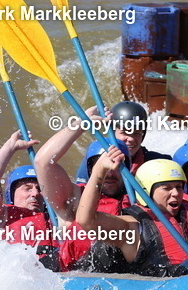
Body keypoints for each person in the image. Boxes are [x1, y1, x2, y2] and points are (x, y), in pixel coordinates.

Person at [34, 106, 132, 271]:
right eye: (104, 166)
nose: (111, 172)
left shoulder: (137, 201)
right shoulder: (75, 196)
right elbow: (43, 162)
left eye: (117, 166)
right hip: (75, 273)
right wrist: (81, 124)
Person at [77, 151, 188, 277]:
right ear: (146, 191)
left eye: (179, 187)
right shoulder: (132, 227)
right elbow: (87, 220)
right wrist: (99, 170)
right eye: (166, 187)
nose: (175, 193)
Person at [0, 131, 58, 269]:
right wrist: (11, 147)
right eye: (27, 188)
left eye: (39, 189)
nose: (35, 193)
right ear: (11, 194)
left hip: (56, 276)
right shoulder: (1, 216)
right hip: (19, 276)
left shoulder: (56, 217)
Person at [109, 101, 168, 174]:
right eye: (124, 132)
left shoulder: (160, 162)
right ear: (112, 132)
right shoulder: (98, 161)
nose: (131, 139)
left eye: (136, 133)